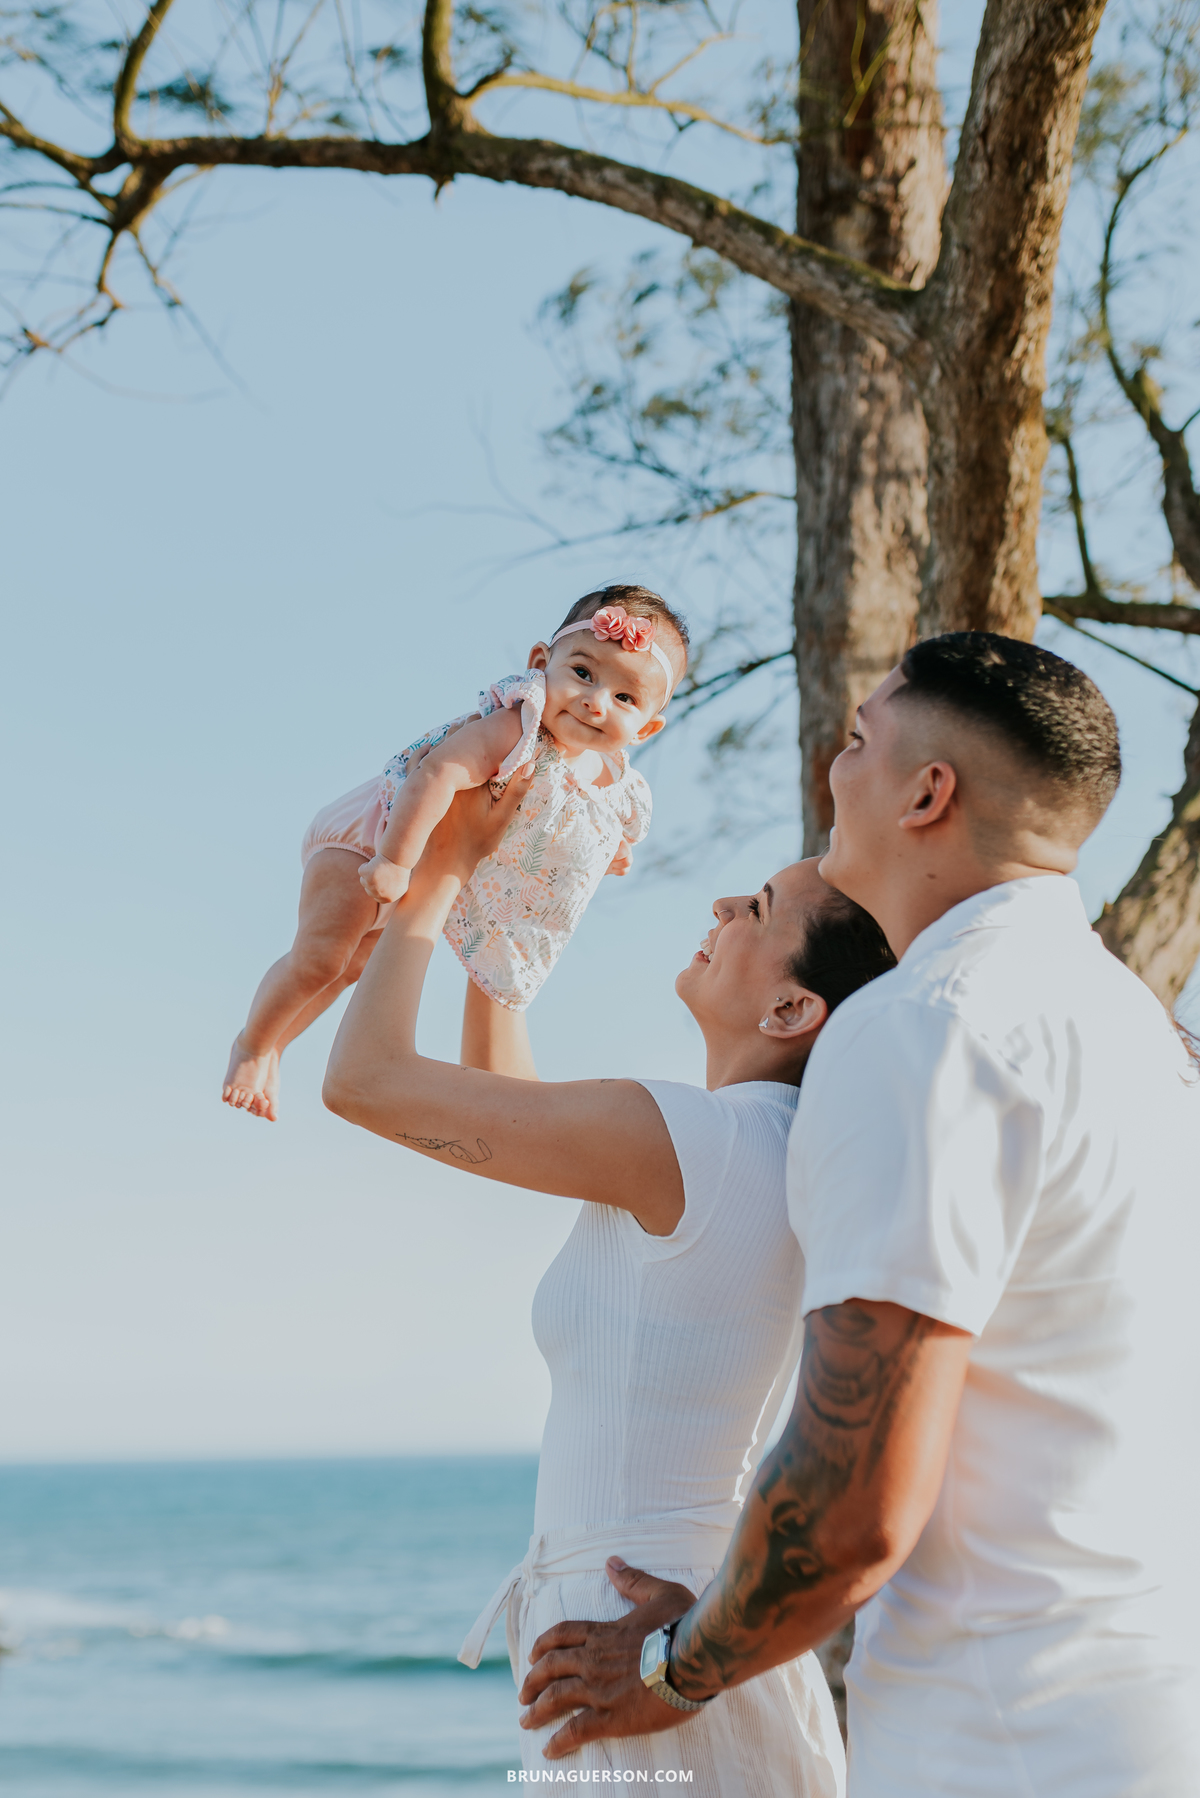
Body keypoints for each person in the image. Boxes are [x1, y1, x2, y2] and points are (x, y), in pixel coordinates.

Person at [519, 632, 1200, 1797]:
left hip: (1002, 1741)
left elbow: (854, 1501)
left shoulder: (928, 1024)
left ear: (929, 791)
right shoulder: (1141, 1031)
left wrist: (678, 1670)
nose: (838, 769)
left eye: (858, 740)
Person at [321, 765, 897, 1794]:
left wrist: (442, 864)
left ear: (792, 1005)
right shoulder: (761, 1146)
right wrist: (512, 907)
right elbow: (495, 1108)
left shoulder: (700, 1137)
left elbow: (364, 1080)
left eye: (759, 907)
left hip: (632, 1636)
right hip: (650, 1628)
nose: (723, 905)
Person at [222, 585, 684, 1121]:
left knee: (350, 968)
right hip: (370, 839)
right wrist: (393, 860)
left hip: (415, 872)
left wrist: (613, 852)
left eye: (625, 698)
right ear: (541, 663)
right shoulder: (518, 725)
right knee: (323, 957)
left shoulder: (609, 780)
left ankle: (277, 1045)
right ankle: (252, 1044)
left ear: (646, 728)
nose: (595, 700)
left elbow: (589, 823)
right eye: (583, 673)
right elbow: (436, 773)